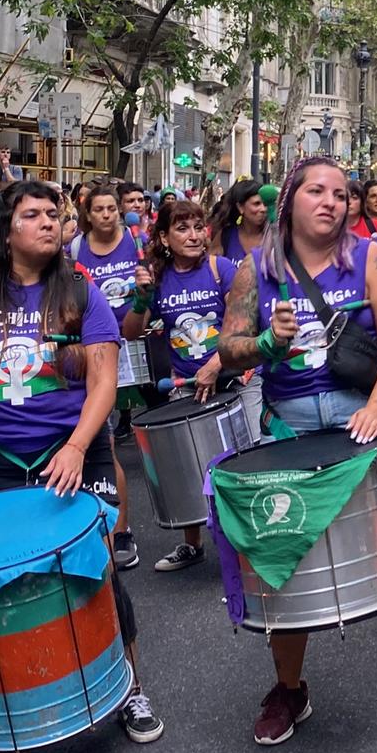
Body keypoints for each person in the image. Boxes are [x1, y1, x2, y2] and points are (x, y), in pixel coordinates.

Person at [216, 156, 377, 748]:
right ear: (290, 200)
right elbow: (229, 350)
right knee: (285, 555)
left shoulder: (371, 260)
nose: (330, 201)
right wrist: (264, 341)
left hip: (369, 416)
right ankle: (290, 688)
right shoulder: (254, 272)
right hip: (290, 426)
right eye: (316, 190)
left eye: (339, 192)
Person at [0, 179, 163, 744]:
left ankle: (131, 689)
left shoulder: (79, 292)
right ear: (5, 228)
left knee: (98, 574)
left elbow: (103, 381)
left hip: (75, 451)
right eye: (33, 214)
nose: (48, 222)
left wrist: (74, 448)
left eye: (53, 213)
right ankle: (14, 697)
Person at [120, 196, 239, 571]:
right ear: (164, 237)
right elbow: (131, 333)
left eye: (198, 227)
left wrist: (216, 366)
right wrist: (141, 300)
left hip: (236, 377)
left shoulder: (222, 270)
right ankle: (192, 544)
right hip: (186, 381)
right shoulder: (158, 277)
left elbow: (242, 327)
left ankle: (246, 547)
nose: (193, 235)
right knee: (189, 463)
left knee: (239, 461)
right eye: (181, 228)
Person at [70, 179, 145, 568]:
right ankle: (96, 532)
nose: (104, 215)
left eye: (110, 209)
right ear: (87, 214)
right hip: (94, 348)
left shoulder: (136, 240)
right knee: (108, 441)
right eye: (97, 209)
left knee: (140, 424)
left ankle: (123, 530)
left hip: (134, 340)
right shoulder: (76, 248)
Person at [209, 179, 268, 262]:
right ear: (240, 207)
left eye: (265, 204)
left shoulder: (274, 236)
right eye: (256, 204)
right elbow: (210, 267)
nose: (263, 209)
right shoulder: (226, 236)